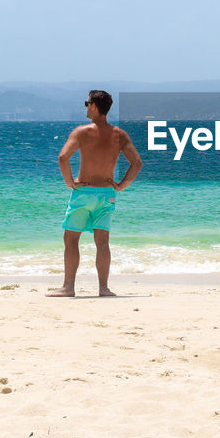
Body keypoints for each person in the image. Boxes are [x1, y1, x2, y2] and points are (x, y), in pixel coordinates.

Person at [47, 90, 142, 298]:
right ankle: (104, 288)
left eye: (87, 103)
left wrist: (70, 183)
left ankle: (68, 287)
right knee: (102, 242)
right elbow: (137, 162)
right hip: (107, 193)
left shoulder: (82, 132)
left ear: (95, 107)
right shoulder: (120, 135)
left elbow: (63, 157)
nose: (86, 107)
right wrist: (122, 185)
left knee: (71, 240)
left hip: (83, 193)